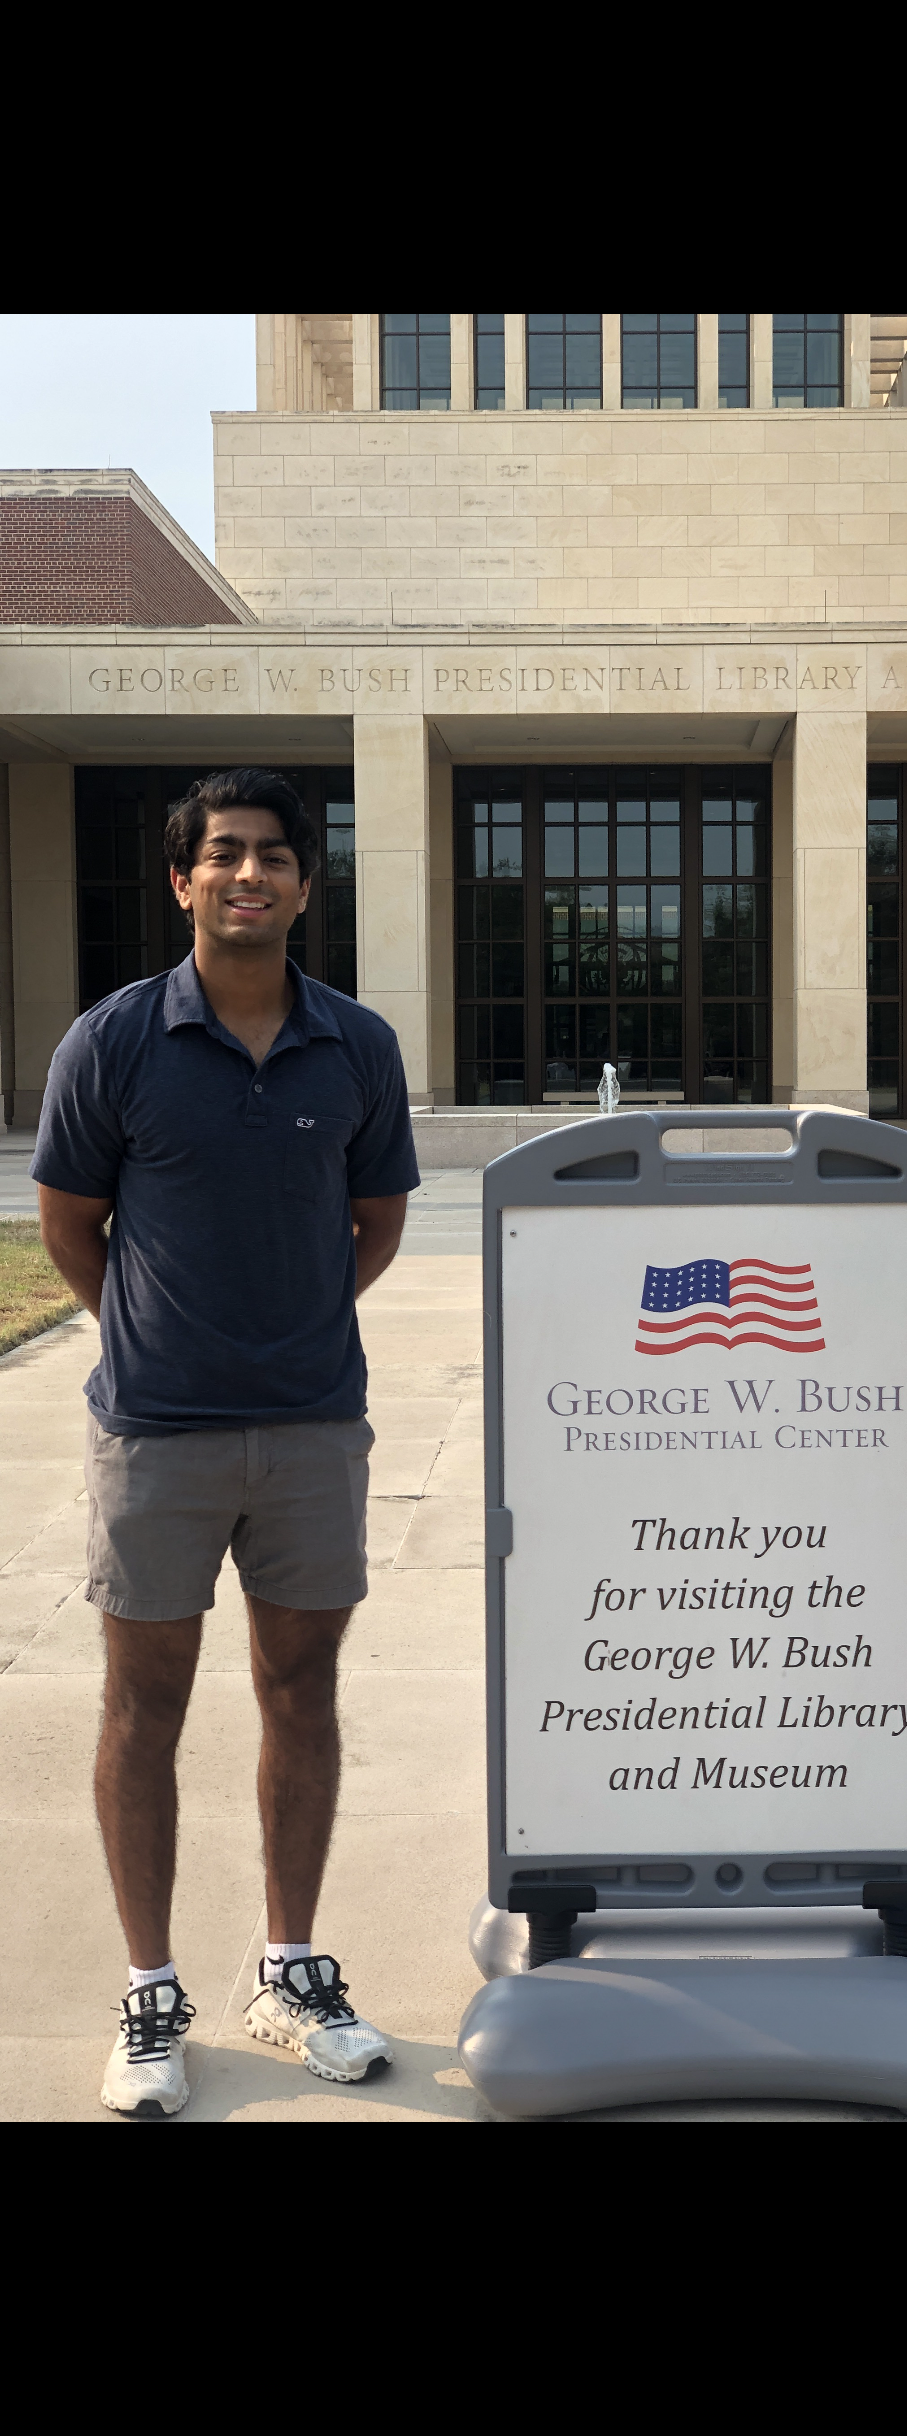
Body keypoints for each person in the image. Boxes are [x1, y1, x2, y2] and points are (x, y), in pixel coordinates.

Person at [33, 768, 419, 2118]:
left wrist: (289, 1327)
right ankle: (150, 1992)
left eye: (273, 856)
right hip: (158, 1435)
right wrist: (158, 1335)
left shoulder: (358, 1045)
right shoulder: (113, 1042)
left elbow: (377, 1220)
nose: (248, 874)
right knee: (144, 1708)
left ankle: (290, 1969)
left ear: (307, 885)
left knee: (300, 1691)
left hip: (313, 1427)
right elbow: (69, 1221)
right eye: (223, 854)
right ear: (182, 880)